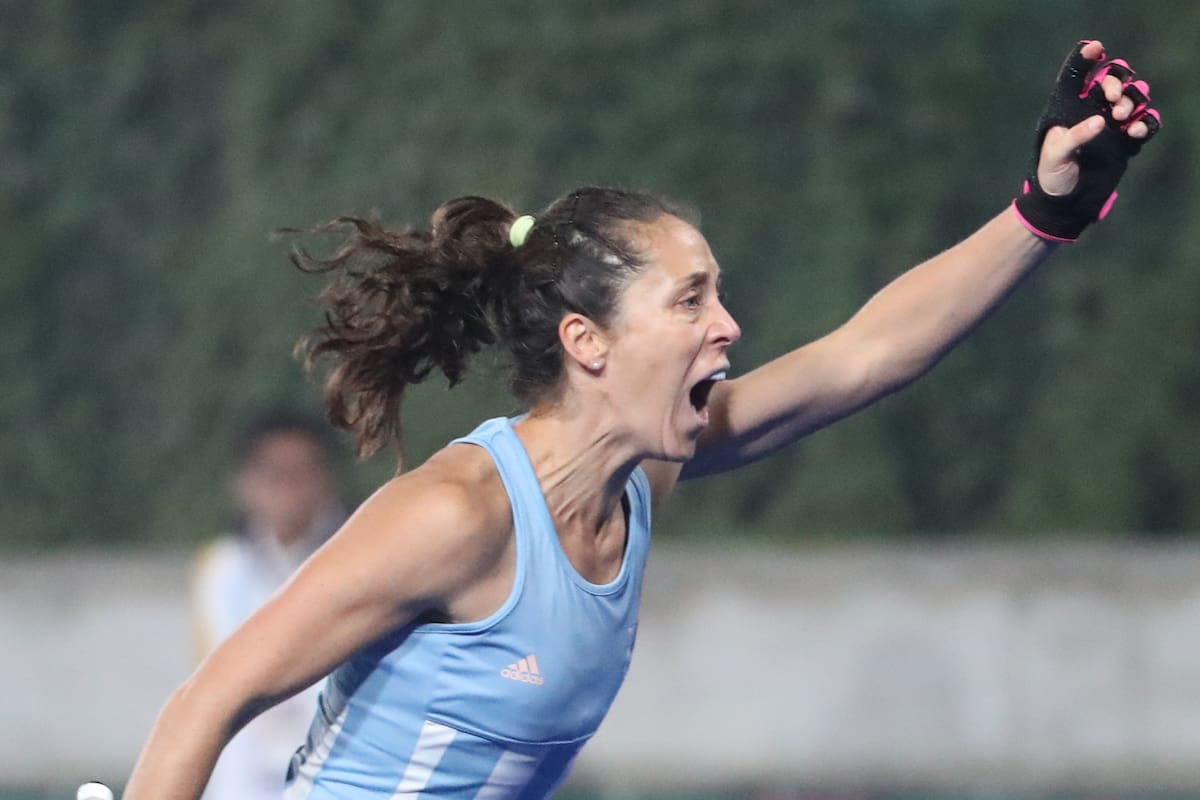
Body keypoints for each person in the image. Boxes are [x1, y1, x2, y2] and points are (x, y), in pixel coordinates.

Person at [125, 40, 1160, 799]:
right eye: (691, 299)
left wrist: (1044, 211)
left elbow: (864, 356)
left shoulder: (642, 473)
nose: (729, 324)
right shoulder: (456, 515)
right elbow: (202, 706)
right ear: (589, 342)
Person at [191, 410, 347, 800]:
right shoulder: (222, 568)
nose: (287, 487)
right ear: (244, 482)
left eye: (300, 472)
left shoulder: (356, 557)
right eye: (273, 474)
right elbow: (221, 685)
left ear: (325, 478)